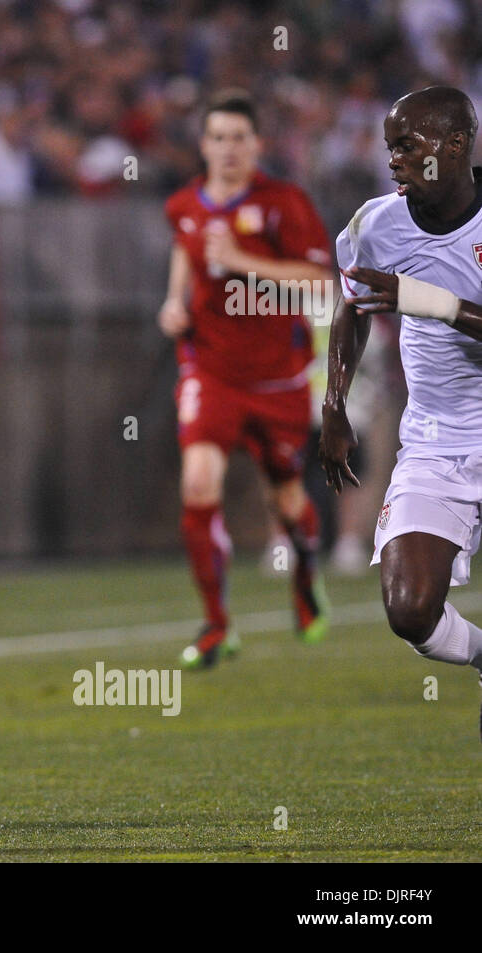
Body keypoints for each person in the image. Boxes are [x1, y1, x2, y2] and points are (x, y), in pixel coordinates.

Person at [321, 86, 482, 742]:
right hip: (437, 440)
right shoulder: (375, 224)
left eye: (408, 146)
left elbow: (419, 303)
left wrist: (425, 298)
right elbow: (351, 309)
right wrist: (334, 403)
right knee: (410, 609)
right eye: (392, 147)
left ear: (456, 146)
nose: (395, 161)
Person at [158, 89, 333, 668]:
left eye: (240, 137)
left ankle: (306, 574)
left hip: (279, 378)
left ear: (257, 144)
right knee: (198, 484)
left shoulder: (285, 202)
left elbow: (319, 283)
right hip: (210, 370)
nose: (229, 148)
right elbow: (186, 249)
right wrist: (172, 302)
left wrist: (242, 261)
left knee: (286, 496)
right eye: (219, 137)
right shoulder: (184, 204)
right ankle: (217, 624)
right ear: (203, 145)